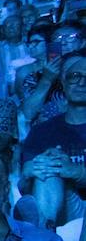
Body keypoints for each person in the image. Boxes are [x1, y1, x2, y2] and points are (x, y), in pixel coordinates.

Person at [19, 49, 86, 229]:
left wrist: (77, 172)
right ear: (63, 82)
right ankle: (46, 239)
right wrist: (28, 173)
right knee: (48, 168)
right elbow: (25, 189)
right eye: (74, 76)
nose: (81, 82)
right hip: (61, 210)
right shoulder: (42, 132)